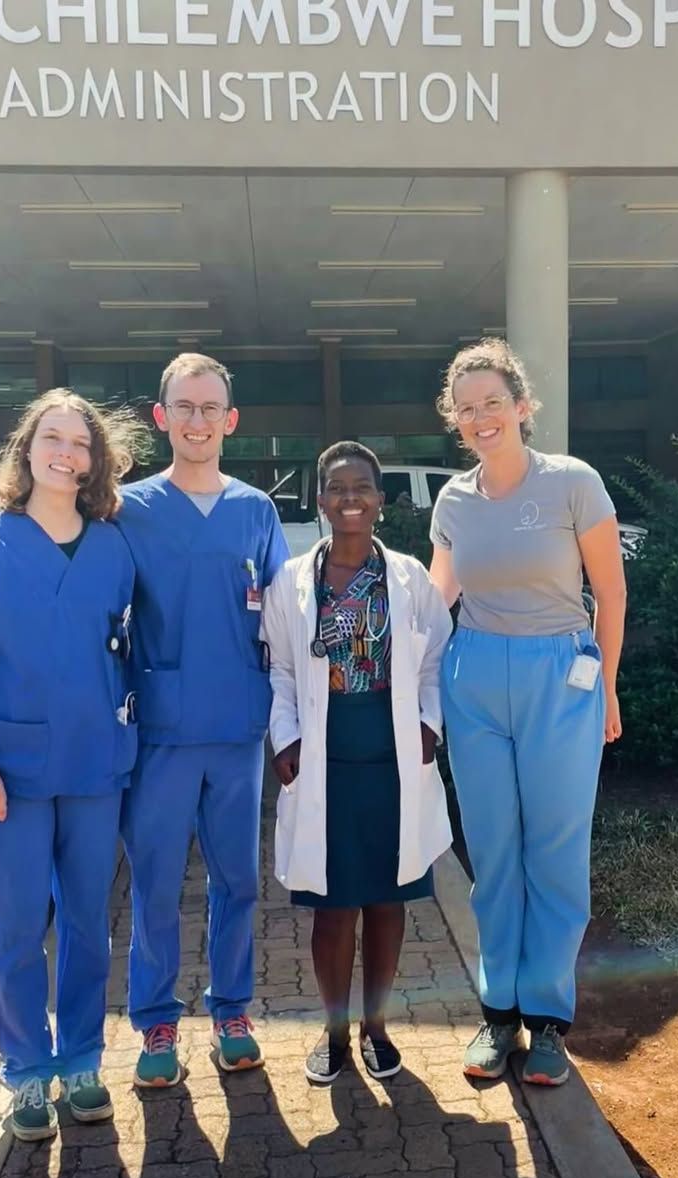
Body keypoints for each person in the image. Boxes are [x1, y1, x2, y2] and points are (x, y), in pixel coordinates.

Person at [0, 390, 141, 1140]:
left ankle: (80, 1060)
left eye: (80, 443)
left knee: (87, 925)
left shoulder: (113, 546)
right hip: (5, 769)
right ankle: (24, 1071)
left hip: (93, 764)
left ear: (95, 460)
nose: (65, 453)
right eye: (52, 438)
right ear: (27, 448)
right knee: (16, 927)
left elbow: (126, 644)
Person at [429, 340, 627, 1088]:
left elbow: (610, 592)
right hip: (474, 677)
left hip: (560, 677)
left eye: (492, 402)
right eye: (466, 408)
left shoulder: (573, 482)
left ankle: (546, 1020)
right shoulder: (454, 500)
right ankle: (498, 1013)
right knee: (492, 851)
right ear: (455, 419)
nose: (480, 417)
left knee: (555, 849)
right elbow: (439, 598)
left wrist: (608, 687)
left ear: (521, 407)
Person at [117, 353, 289, 1087]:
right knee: (156, 880)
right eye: (183, 407)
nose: (197, 420)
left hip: (236, 727)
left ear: (230, 420)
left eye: (209, 407)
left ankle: (231, 1011)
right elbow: (94, 606)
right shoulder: (128, 510)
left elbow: (284, 617)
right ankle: (156, 1019)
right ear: (162, 417)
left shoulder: (256, 511)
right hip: (160, 730)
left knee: (237, 879)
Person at [262, 442, 453, 1083]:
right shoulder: (292, 581)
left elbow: (434, 659)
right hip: (324, 755)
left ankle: (376, 1028)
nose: (351, 498)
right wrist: (285, 738)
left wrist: (428, 725)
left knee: (388, 898)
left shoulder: (409, 578)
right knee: (334, 903)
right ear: (322, 500)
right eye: (338, 488)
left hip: (394, 755)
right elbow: (281, 669)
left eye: (362, 487)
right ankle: (335, 1032)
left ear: (380, 499)